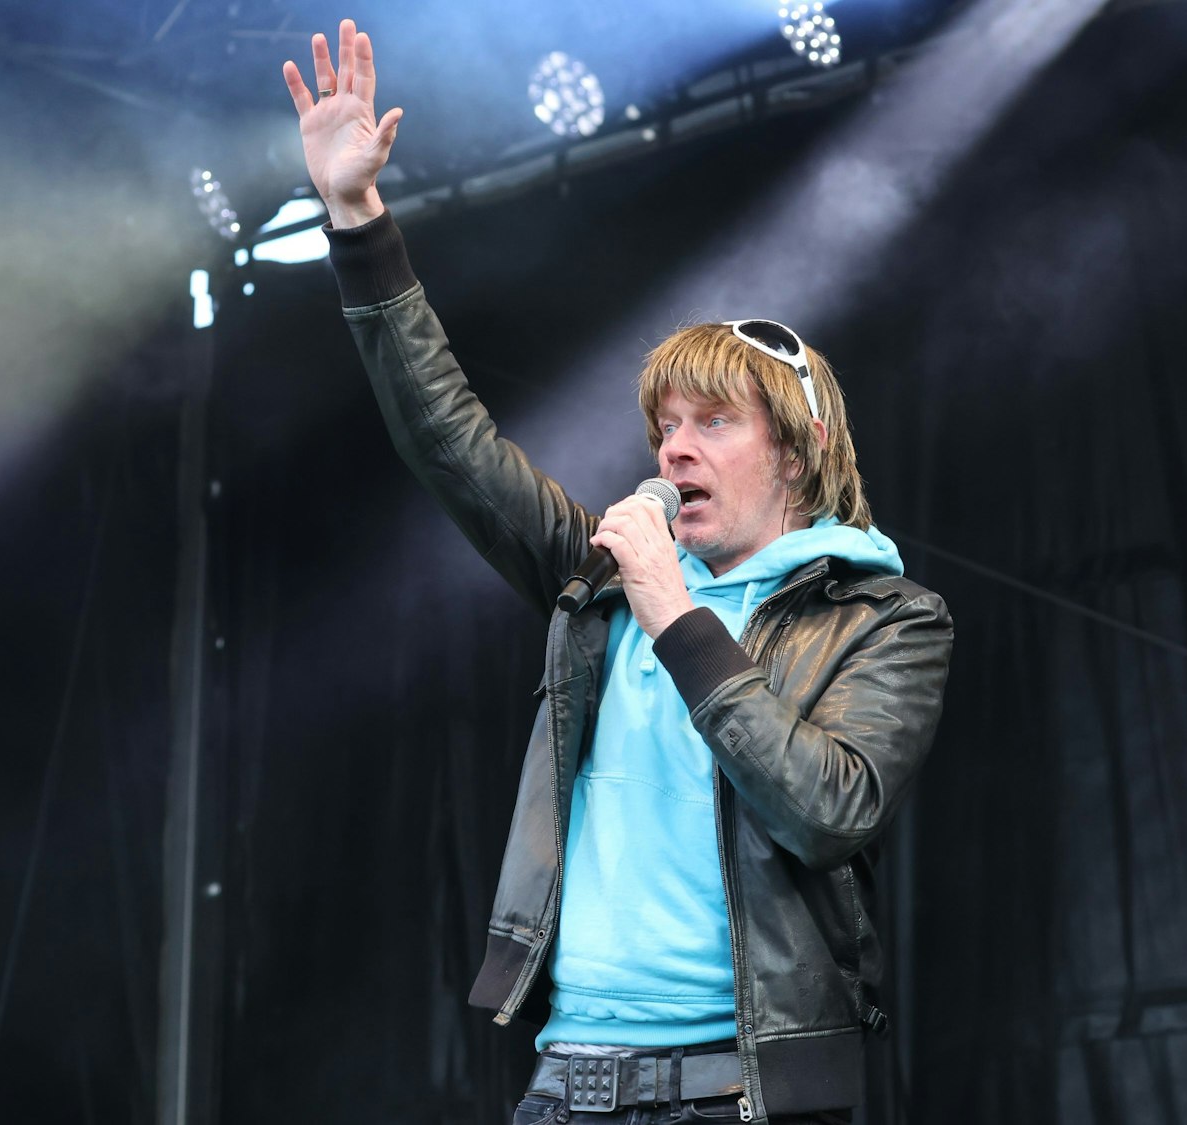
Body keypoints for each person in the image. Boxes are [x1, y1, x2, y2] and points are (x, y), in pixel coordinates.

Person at [282, 21, 954, 1124]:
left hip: (742, 1092)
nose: (672, 448)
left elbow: (826, 810)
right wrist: (357, 222)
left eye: (713, 422)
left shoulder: (881, 616)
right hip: (566, 1086)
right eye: (662, 426)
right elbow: (449, 444)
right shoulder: (598, 583)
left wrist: (674, 612)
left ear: (799, 450)